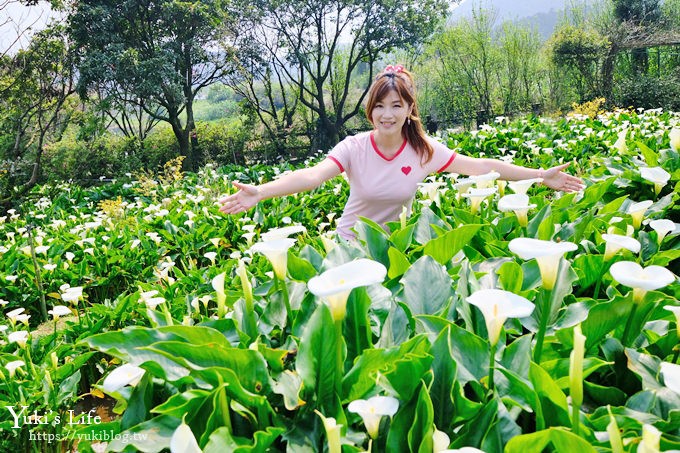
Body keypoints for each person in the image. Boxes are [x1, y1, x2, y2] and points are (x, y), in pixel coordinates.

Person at [219, 65, 584, 240]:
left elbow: (481, 167)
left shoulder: (423, 152)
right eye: (379, 106)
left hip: (396, 246)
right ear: (370, 110)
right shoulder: (354, 147)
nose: (387, 114)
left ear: (410, 109)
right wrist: (261, 191)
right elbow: (313, 176)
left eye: (396, 105)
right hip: (351, 244)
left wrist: (540, 175)